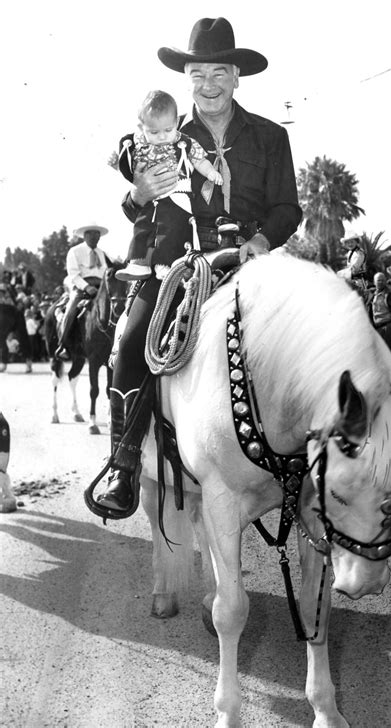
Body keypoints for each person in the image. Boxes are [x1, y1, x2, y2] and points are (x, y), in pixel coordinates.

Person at [96, 16, 302, 514]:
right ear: (187, 80)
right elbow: (134, 209)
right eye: (198, 75)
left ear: (236, 77)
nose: (208, 86)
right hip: (176, 263)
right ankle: (123, 465)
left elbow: (287, 208)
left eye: (219, 74)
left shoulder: (272, 138)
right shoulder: (160, 134)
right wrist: (137, 193)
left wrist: (259, 239)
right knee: (131, 337)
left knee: (303, 341)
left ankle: (308, 461)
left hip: (249, 259)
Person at [116, 89, 224, 282]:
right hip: (154, 199)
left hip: (183, 204)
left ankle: (164, 263)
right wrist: (138, 193)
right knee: (143, 226)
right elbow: (130, 171)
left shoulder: (184, 142)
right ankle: (138, 262)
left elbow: (199, 160)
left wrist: (211, 172)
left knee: (172, 226)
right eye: (154, 132)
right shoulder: (140, 144)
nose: (162, 136)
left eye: (167, 131)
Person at [55, 223, 109, 360]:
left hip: (101, 287)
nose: (94, 237)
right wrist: (86, 287)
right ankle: (63, 344)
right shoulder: (75, 251)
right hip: (81, 287)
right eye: (90, 234)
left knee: (116, 306)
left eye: (97, 234)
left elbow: (107, 272)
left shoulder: (103, 254)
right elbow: (73, 274)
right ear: (84, 236)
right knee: (71, 309)